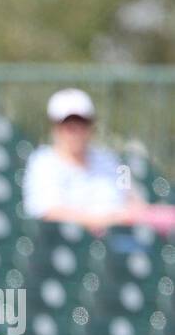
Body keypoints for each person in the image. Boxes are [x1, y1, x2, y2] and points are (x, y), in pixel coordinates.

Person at [23, 89, 157, 233]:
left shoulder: (109, 159)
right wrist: (104, 221)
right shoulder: (43, 162)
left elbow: (132, 198)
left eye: (82, 123)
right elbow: (48, 212)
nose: (75, 132)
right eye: (68, 125)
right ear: (56, 127)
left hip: (120, 241)